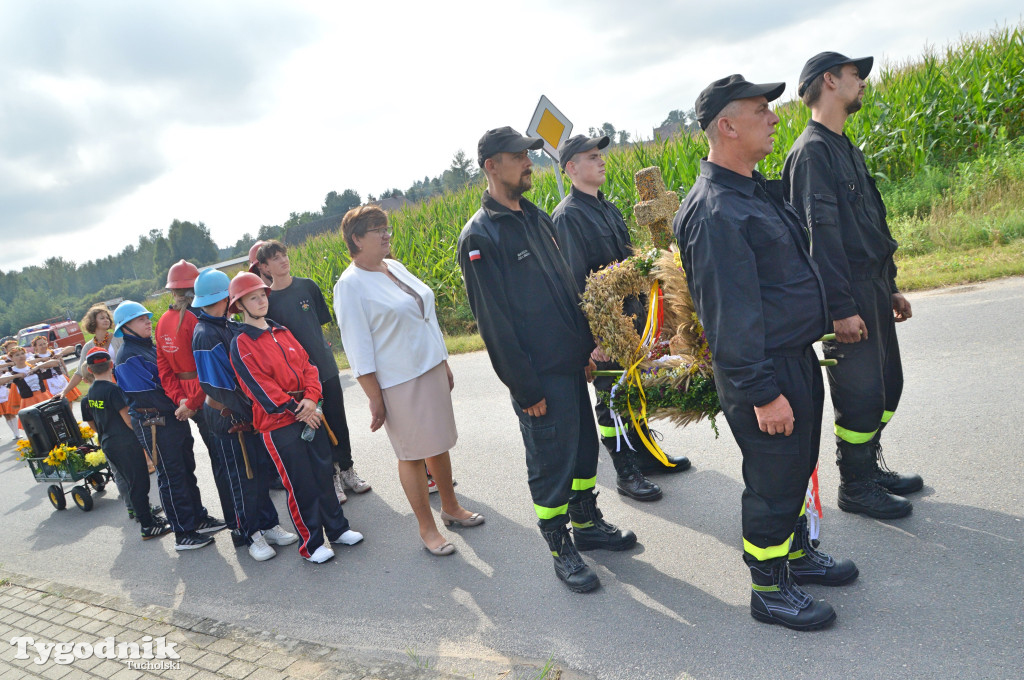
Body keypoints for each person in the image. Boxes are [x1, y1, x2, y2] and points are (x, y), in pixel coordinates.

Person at [673, 75, 860, 631]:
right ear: (727, 126)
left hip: (791, 358)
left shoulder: (749, 190)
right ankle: (768, 590)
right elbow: (729, 317)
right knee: (774, 481)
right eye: (761, 110)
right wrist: (762, 393)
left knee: (797, 466)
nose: (775, 117)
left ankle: (796, 556)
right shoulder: (714, 211)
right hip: (764, 371)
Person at [457, 126, 636, 593]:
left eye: (529, 155)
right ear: (491, 166)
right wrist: (525, 387)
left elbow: (566, 288)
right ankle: (560, 546)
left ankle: (588, 525)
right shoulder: (481, 235)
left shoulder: (536, 217)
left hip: (570, 365)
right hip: (537, 377)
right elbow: (494, 321)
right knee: (550, 463)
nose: (528, 163)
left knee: (581, 453)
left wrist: (585, 350)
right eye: (518, 156)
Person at [783, 52, 922, 520]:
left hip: (874, 285)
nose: (861, 82)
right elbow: (821, 238)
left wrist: (892, 285)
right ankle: (856, 484)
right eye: (854, 75)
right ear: (829, 81)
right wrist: (840, 308)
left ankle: (869, 465)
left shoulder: (844, 146)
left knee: (887, 387)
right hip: (848, 293)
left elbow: (869, 224)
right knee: (860, 394)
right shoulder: (812, 152)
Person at [335, 206, 483, 556]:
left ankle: (451, 507)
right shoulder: (350, 285)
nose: (387, 234)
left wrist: (442, 360)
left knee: (439, 443)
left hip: (429, 368)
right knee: (413, 454)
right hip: (398, 380)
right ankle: (427, 528)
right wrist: (375, 397)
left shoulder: (394, 267)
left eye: (387, 227)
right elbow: (358, 348)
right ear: (356, 239)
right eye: (377, 230)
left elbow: (425, 314)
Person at [552, 134, 692, 503]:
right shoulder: (568, 217)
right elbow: (576, 283)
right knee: (612, 398)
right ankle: (626, 472)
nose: (601, 161)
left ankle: (645, 455)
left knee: (633, 388)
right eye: (592, 157)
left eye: (601, 155)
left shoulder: (607, 208)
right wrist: (593, 340)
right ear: (571, 167)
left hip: (631, 319)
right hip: (605, 329)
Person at [228, 272, 363, 564]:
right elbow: (260, 387)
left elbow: (309, 367)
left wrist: (312, 399)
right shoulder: (241, 343)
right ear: (239, 305)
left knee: (324, 476)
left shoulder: (281, 330)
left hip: (309, 413)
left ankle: (338, 529)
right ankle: (312, 545)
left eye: (263, 295)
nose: (261, 300)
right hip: (280, 424)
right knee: (300, 484)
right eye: (253, 297)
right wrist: (299, 409)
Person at [191, 268, 299, 561]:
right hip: (228, 416)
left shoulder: (224, 325)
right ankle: (249, 534)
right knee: (241, 477)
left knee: (259, 472)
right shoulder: (205, 333)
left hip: (244, 413)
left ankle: (268, 524)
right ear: (226, 297)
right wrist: (253, 410)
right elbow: (218, 386)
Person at [255, 240, 371, 504]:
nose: (283, 260)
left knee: (338, 420)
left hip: (325, 367)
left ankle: (348, 470)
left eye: (284, 254)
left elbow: (320, 324)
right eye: (275, 258)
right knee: (316, 427)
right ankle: (331, 477)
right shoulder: (267, 301)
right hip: (298, 379)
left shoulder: (308, 286)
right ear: (264, 267)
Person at [112, 300, 227, 551]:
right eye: (141, 319)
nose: (148, 321)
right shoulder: (127, 356)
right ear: (126, 326)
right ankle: (183, 533)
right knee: (172, 476)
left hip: (172, 416)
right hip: (155, 421)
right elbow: (150, 394)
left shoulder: (146, 347)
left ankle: (198, 518)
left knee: (186, 469)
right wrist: (183, 402)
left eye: (147, 317)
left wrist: (183, 402)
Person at [156, 260, 239, 536]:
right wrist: (191, 402)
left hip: (188, 398)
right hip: (206, 396)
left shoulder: (162, 322)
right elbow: (207, 372)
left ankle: (233, 517)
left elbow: (164, 368)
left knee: (219, 458)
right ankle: (238, 517)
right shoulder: (196, 320)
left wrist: (180, 399)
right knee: (225, 459)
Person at [80, 347, 171, 540]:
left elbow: (95, 421)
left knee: (132, 483)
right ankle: (147, 526)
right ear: (111, 365)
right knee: (139, 483)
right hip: (125, 443)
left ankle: (146, 517)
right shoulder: (113, 390)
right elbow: (128, 420)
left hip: (108, 442)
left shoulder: (92, 392)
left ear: (89, 370)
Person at [59, 304, 125, 410]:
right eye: (102, 318)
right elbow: (79, 372)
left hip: (122, 384)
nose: (106, 320)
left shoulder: (118, 338)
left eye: (107, 317)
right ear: (93, 322)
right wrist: (64, 392)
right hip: (103, 389)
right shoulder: (88, 346)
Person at [28, 336, 78, 400]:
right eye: (40, 345)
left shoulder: (53, 352)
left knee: (68, 399)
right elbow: (27, 362)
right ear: (35, 347)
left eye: (44, 343)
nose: (43, 346)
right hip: (47, 381)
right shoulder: (34, 357)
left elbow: (72, 348)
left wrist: (60, 353)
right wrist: (41, 359)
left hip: (60, 378)